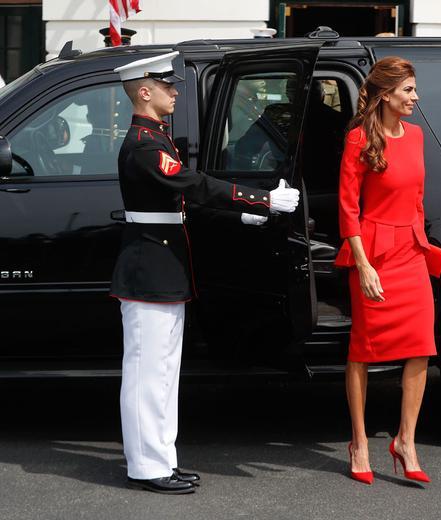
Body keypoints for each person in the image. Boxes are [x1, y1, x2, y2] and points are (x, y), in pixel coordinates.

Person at [110, 51, 300, 494]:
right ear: (144, 92)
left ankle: (161, 459)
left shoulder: (156, 138)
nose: (175, 91)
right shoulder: (143, 145)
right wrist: (262, 200)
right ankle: (147, 466)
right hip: (149, 275)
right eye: (166, 86)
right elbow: (194, 186)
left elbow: (181, 210)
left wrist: (241, 219)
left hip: (164, 272)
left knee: (161, 374)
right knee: (146, 376)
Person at [335, 56, 436, 485]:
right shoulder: (359, 139)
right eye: (408, 90)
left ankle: (405, 441)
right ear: (385, 94)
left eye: (414, 89)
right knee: (363, 349)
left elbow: (416, 198)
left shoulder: (414, 137)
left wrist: (425, 249)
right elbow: (347, 207)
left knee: (421, 345)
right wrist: (364, 264)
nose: (415, 97)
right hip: (372, 254)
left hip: (410, 253)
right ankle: (359, 442)